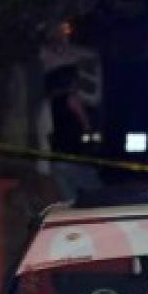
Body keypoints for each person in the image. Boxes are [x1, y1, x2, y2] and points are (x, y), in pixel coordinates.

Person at [42, 65, 102, 201]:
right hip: (74, 158)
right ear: (72, 82)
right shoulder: (72, 98)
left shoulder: (52, 102)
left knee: (70, 202)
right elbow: (85, 124)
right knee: (98, 195)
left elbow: (49, 132)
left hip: (58, 160)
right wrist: (89, 132)